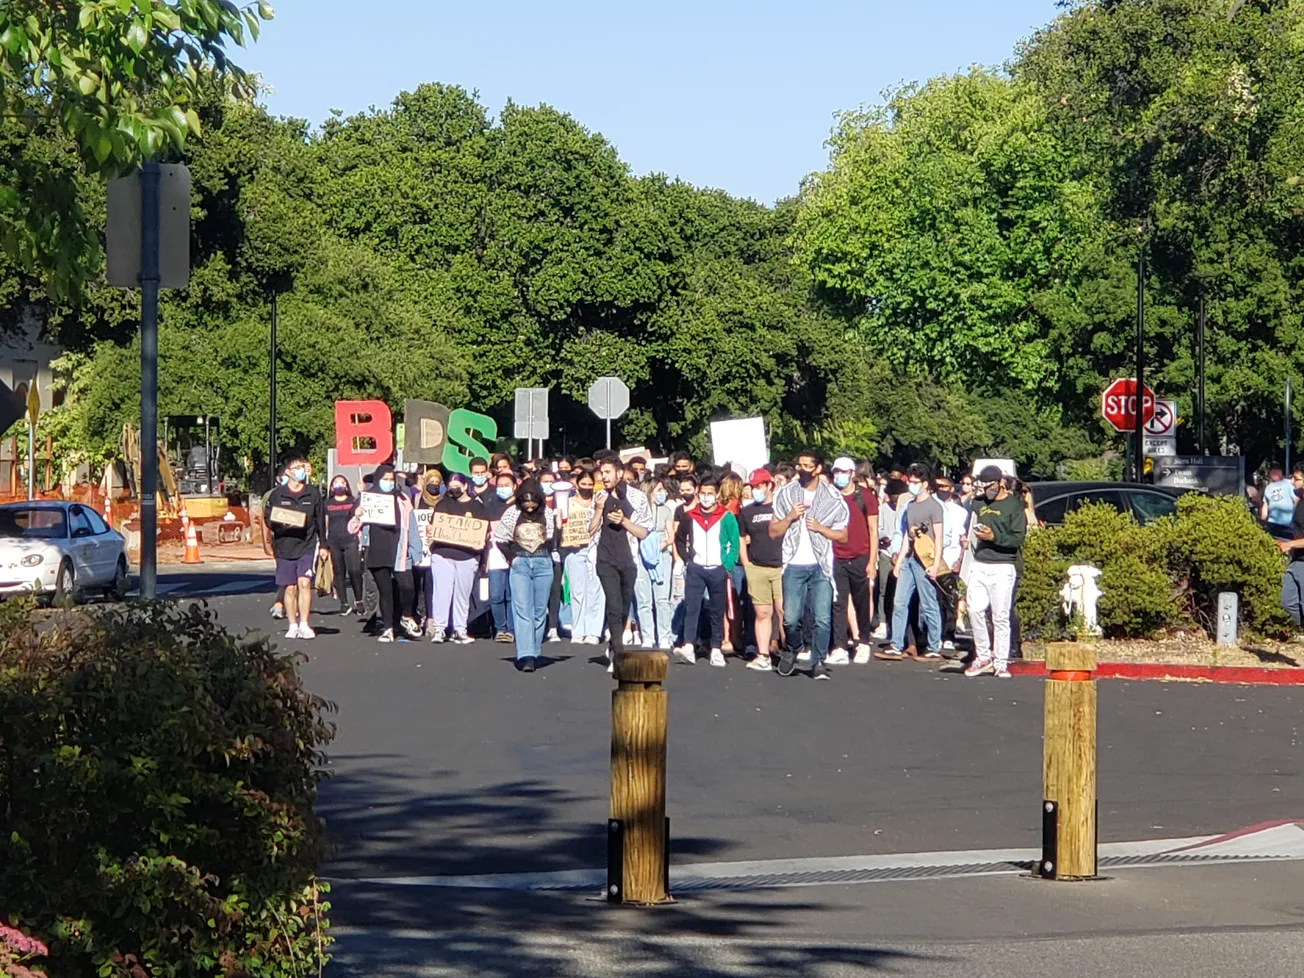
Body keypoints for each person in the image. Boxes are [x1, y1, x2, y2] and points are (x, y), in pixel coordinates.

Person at [769, 450, 849, 681]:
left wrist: (822, 529)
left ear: (818, 468)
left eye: (807, 465)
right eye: (799, 464)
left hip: (820, 565)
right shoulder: (786, 494)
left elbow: (843, 536)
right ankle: (794, 647)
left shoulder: (833, 498)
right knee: (790, 618)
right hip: (793, 564)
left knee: (822, 617)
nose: (801, 469)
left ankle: (818, 661)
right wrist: (790, 517)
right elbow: (773, 532)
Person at [965, 465, 1029, 679]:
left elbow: (1017, 539)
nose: (987, 490)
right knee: (974, 609)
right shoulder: (978, 503)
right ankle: (983, 656)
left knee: (1000, 615)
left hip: (1003, 565)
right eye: (983, 486)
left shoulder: (1014, 505)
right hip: (980, 563)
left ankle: (1000, 662)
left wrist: (994, 537)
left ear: (1000, 482)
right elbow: (968, 527)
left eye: (990, 485)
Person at [349, 463, 422, 643]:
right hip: (377, 549)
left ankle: (406, 616)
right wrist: (357, 514)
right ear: (377, 480)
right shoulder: (367, 498)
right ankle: (388, 628)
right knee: (386, 592)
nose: (389, 483)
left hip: (399, 548)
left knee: (407, 586)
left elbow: (412, 525)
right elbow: (351, 528)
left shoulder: (403, 499)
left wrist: (417, 550)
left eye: (391, 479)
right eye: (385, 479)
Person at [672, 474, 740, 667]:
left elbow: (734, 544)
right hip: (696, 569)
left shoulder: (726, 516)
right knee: (692, 607)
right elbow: (678, 539)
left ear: (717, 494)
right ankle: (688, 646)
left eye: (710, 493)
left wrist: (726, 565)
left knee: (717, 610)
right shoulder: (689, 516)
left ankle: (716, 648)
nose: (706, 497)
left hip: (718, 569)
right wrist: (687, 560)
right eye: (703, 493)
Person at [879, 463, 945, 661]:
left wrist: (935, 564)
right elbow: (908, 536)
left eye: (916, 482)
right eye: (912, 482)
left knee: (928, 603)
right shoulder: (909, 507)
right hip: (909, 560)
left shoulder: (935, 506)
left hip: (925, 561)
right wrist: (899, 562)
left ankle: (934, 645)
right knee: (899, 602)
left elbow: (939, 537)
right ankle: (896, 644)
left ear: (925, 484)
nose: (913, 486)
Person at [591, 458, 653, 667]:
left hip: (628, 559)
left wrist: (624, 521)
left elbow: (644, 532)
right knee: (614, 604)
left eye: (608, 472)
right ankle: (618, 653)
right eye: (602, 473)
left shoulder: (637, 498)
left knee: (625, 604)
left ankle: (613, 643)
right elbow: (589, 530)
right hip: (604, 558)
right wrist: (599, 509)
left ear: (619, 473)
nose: (604, 477)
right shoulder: (599, 496)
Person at [492, 479, 559, 672]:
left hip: (543, 563)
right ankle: (526, 654)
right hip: (520, 563)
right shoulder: (512, 513)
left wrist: (559, 524)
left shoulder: (547, 514)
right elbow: (500, 538)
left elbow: (554, 541)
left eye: (533, 502)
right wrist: (512, 558)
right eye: (525, 502)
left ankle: (535, 649)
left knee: (539, 611)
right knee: (522, 609)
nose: (529, 506)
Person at [261, 455, 327, 640]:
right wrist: (281, 526)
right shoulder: (277, 495)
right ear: (288, 472)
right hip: (284, 546)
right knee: (289, 588)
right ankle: (292, 624)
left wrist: (324, 544)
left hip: (306, 544)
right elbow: (269, 518)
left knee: (304, 583)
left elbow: (320, 519)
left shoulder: (313, 494)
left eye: (302, 467)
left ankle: (304, 623)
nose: (301, 470)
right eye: (297, 467)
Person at [829, 456, 877, 665]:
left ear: (852, 474)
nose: (838, 476)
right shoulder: (830, 496)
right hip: (836, 556)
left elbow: (874, 530)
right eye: (836, 472)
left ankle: (863, 642)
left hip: (860, 555)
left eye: (842, 472)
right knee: (838, 603)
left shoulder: (865, 497)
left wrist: (872, 561)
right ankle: (839, 646)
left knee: (861, 602)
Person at [427, 473, 483, 643]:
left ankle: (460, 629)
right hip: (443, 554)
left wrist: (480, 543)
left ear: (466, 486)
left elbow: (483, 531)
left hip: (467, 556)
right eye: (450, 485)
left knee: (462, 595)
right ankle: (439, 629)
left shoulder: (477, 507)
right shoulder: (443, 504)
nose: (453, 488)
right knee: (441, 592)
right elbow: (436, 527)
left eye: (457, 485)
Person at [738, 468, 784, 671]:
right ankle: (763, 654)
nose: (756, 490)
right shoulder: (747, 511)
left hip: (781, 567)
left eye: (759, 486)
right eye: (753, 486)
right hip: (757, 566)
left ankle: (786, 650)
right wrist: (746, 562)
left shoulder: (781, 508)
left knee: (784, 611)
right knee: (762, 613)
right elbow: (741, 537)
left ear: (769, 485)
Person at [560, 466, 604, 645]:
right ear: (576, 485)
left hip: (595, 548)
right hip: (573, 550)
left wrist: (599, 509)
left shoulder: (599, 502)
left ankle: (594, 631)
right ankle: (578, 630)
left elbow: (595, 528)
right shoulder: (567, 502)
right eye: (583, 483)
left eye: (589, 484)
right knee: (577, 591)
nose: (586, 487)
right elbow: (561, 527)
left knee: (596, 590)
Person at [479, 470, 517, 642]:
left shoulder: (520, 507)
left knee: (512, 594)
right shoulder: (489, 507)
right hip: (494, 555)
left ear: (515, 487)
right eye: (500, 486)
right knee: (496, 595)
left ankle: (512, 629)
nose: (503, 489)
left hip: (515, 555)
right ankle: (500, 628)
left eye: (506, 485)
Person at [933, 474, 969, 654]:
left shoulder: (960, 512)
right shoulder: (930, 506)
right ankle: (934, 635)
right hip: (932, 559)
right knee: (933, 600)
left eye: (945, 486)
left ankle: (948, 635)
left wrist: (960, 560)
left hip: (951, 559)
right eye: (937, 485)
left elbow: (964, 539)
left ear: (952, 489)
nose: (941, 489)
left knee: (949, 600)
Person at [324, 474, 365, 616]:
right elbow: (325, 523)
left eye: (342, 482)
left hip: (350, 539)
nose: (339, 485)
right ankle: (344, 603)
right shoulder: (327, 503)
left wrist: (362, 492)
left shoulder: (352, 501)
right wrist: (324, 543)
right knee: (339, 572)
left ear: (346, 486)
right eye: (336, 483)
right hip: (334, 541)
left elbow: (361, 513)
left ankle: (359, 600)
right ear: (331, 487)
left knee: (354, 571)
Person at [1276, 465, 1304, 626]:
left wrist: (1290, 544)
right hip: (1295, 561)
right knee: (1287, 602)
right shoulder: (1300, 501)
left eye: (1296, 478)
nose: (1292, 481)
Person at [1262, 465, 1295, 529]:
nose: (1275, 472)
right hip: (1272, 523)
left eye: (1277, 470)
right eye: (1272, 471)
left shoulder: (1289, 483)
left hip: (1288, 523)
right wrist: (1262, 522)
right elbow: (1265, 505)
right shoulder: (1268, 487)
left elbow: (1296, 500)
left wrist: (1296, 520)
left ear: (1281, 472)